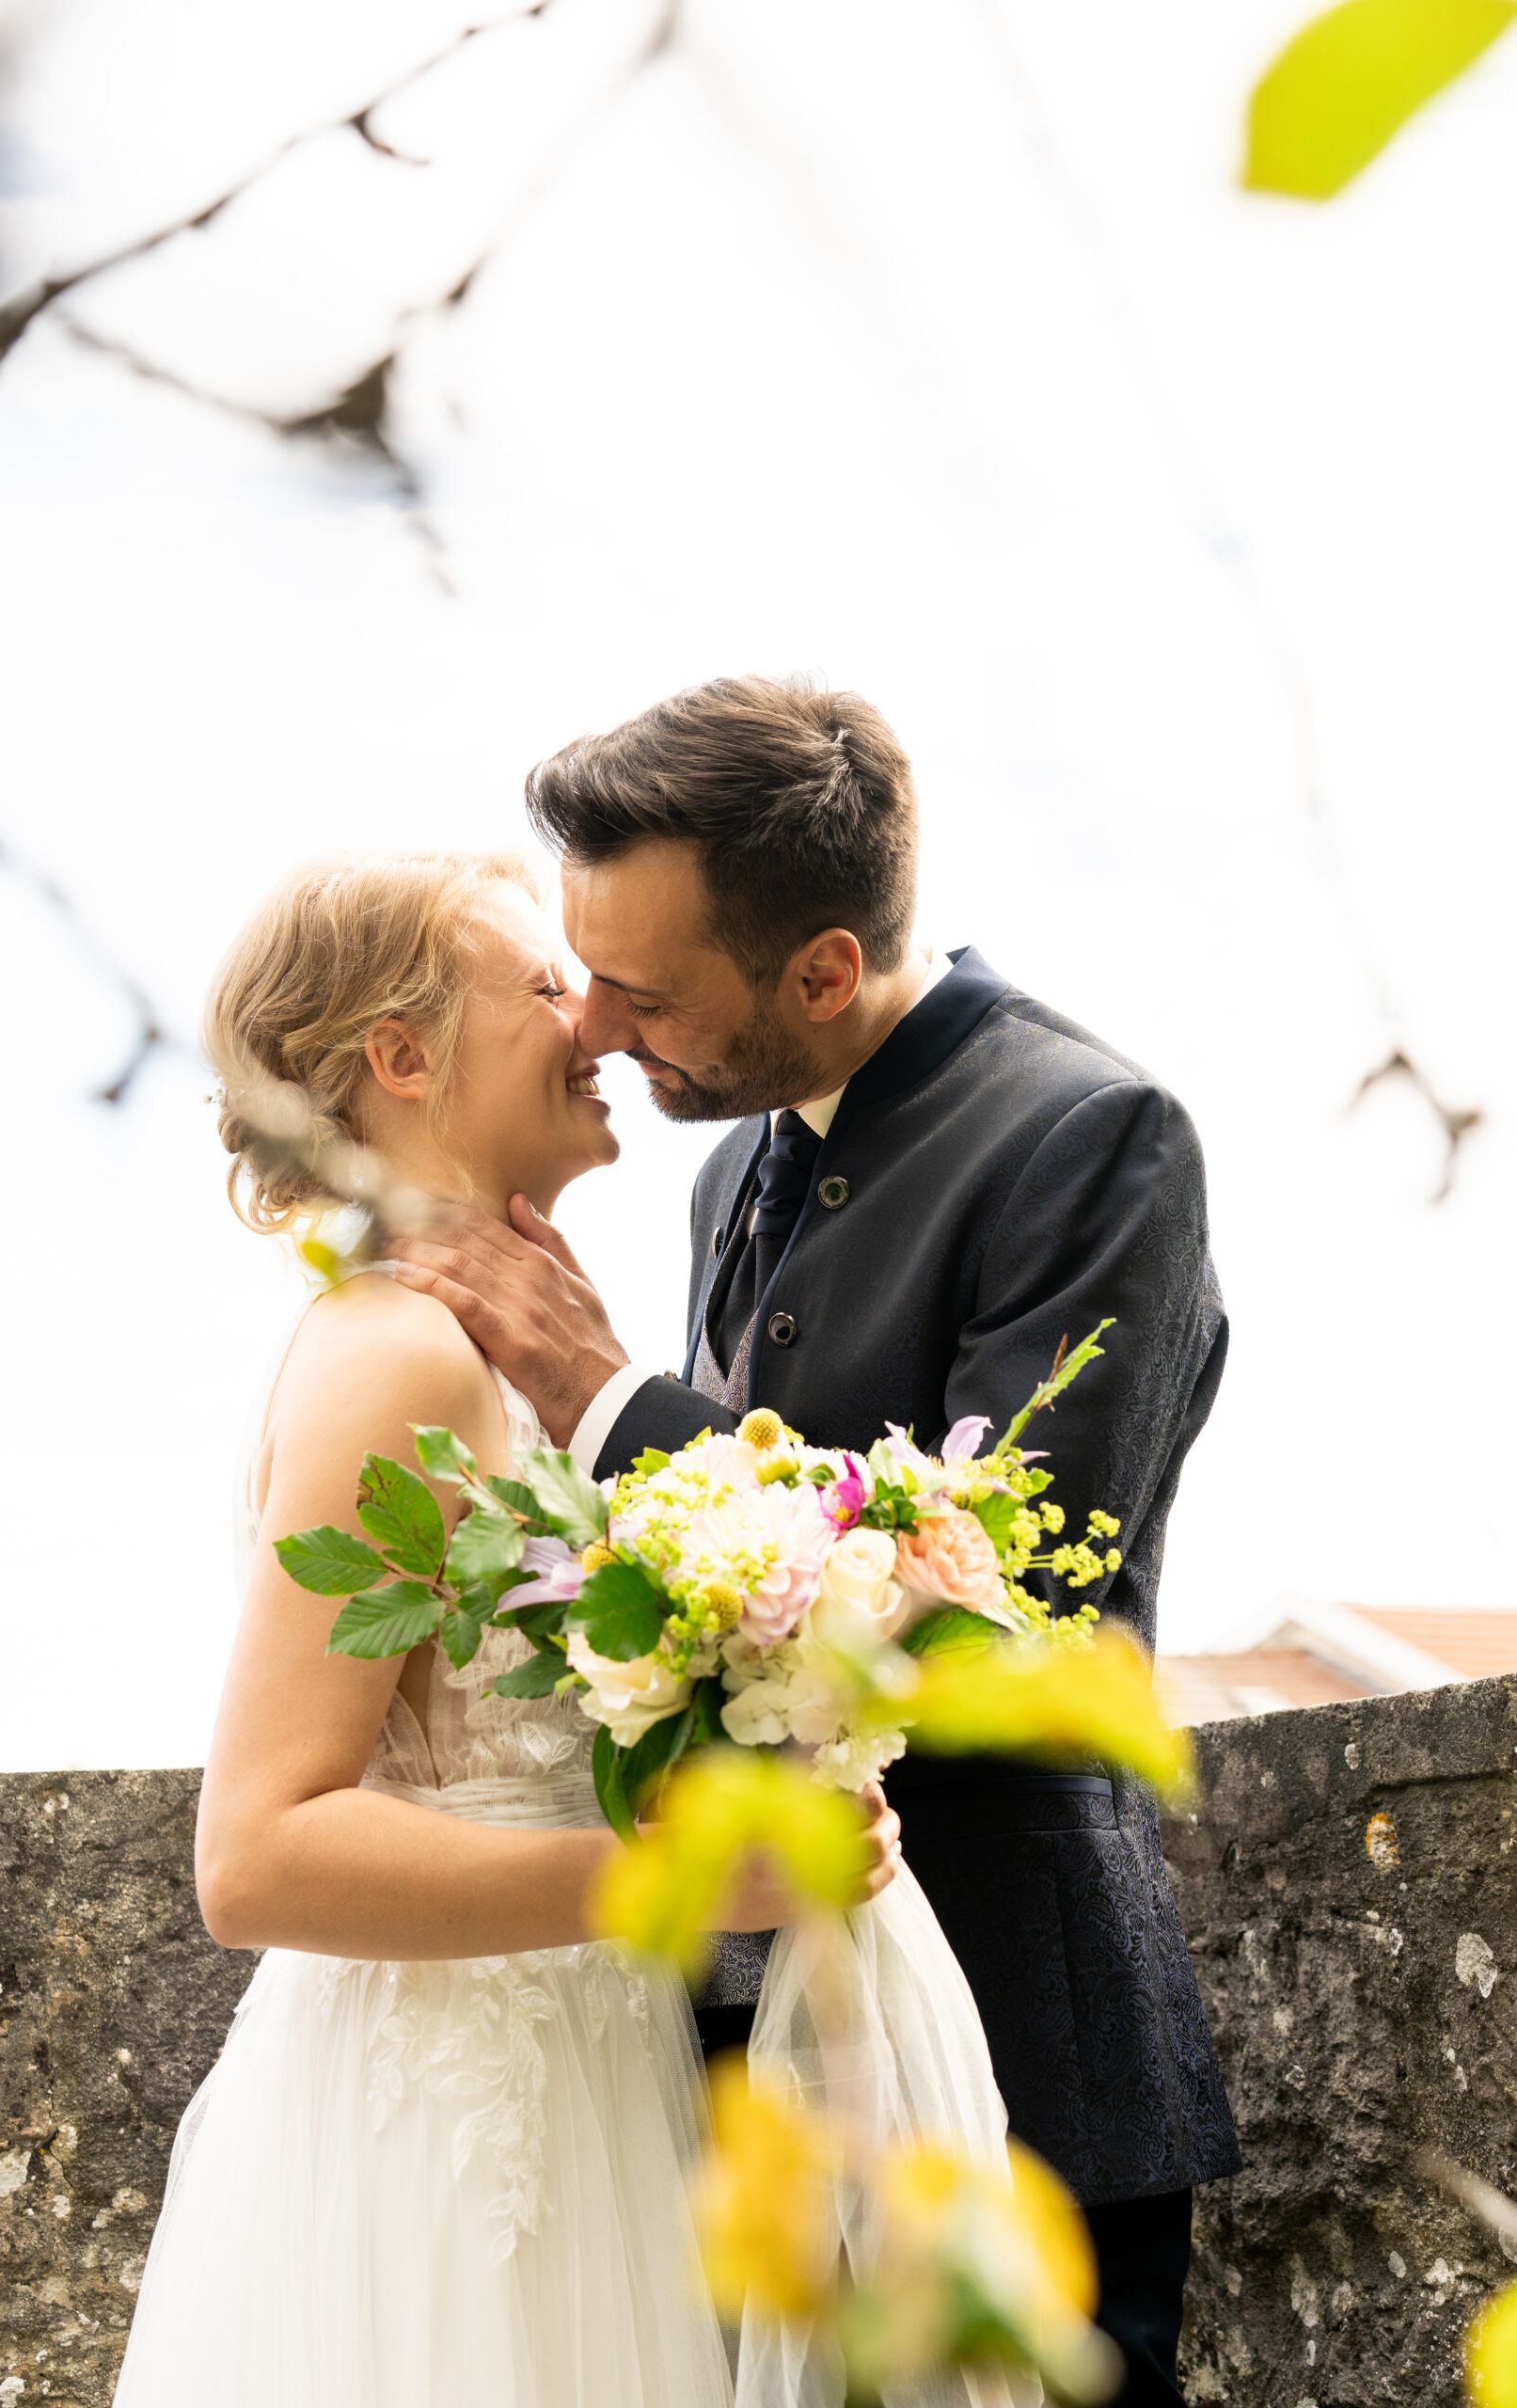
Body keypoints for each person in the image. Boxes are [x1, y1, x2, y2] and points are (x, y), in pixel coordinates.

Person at [387, 676, 1243, 2408]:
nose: (600, 1030)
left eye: (644, 991)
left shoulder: (1090, 1137)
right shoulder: (731, 1172)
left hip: (1018, 2050)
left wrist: (604, 1390)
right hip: (741, 2060)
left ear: (825, 971)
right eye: (582, 972)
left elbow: (1001, 1600)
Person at [111, 848, 906, 2408]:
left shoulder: (499, 1349)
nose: (598, 1024)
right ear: (400, 1060)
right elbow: (257, 1853)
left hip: (593, 2085)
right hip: (441, 2145)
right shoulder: (392, 1357)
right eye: (548, 986)